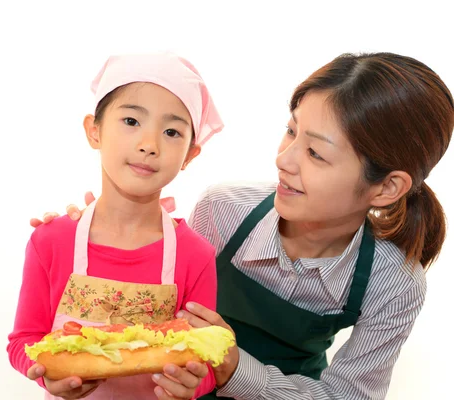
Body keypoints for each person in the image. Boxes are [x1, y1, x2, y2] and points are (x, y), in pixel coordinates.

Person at [32, 52, 454, 399]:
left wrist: (235, 368)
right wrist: (99, 226)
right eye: (291, 132)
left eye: (316, 154)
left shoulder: (394, 282)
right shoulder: (222, 210)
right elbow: (161, 300)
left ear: (386, 188)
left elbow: (346, 396)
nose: (283, 160)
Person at [7, 52, 227, 400]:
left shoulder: (195, 254)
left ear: (189, 155)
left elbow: (204, 361)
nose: (149, 145)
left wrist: (191, 385)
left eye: (171, 131)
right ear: (94, 130)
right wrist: (45, 376)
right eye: (131, 121)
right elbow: (23, 340)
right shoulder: (50, 240)